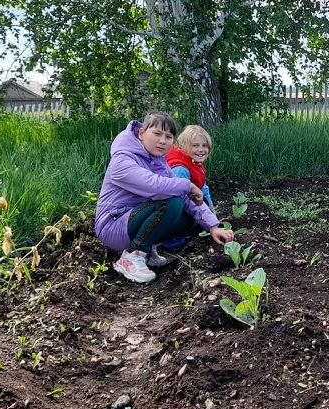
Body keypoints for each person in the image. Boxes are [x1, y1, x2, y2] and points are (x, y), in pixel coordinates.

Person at [95, 112, 234, 283]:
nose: (162, 140)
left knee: (196, 218)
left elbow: (184, 198)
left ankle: (147, 247)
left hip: (136, 219)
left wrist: (213, 226)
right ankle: (132, 255)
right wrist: (188, 185)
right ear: (141, 133)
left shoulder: (158, 161)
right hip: (114, 226)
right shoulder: (123, 159)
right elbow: (153, 185)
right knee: (171, 201)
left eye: (168, 136)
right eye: (157, 133)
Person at [166, 125, 215, 209]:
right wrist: (207, 219)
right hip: (178, 211)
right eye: (195, 145)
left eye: (204, 145)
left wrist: (211, 211)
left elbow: (204, 190)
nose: (201, 149)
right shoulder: (180, 169)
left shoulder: (195, 164)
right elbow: (183, 199)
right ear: (182, 146)